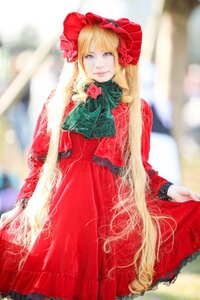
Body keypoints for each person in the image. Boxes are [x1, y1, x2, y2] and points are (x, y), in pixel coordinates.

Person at [0, 12, 200, 300]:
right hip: (59, 215)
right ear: (78, 58)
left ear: (121, 56)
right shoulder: (57, 102)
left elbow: (137, 168)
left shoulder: (136, 108)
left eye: (107, 53)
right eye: (90, 55)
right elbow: (39, 163)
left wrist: (168, 189)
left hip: (105, 222)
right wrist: (21, 206)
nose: (99, 63)